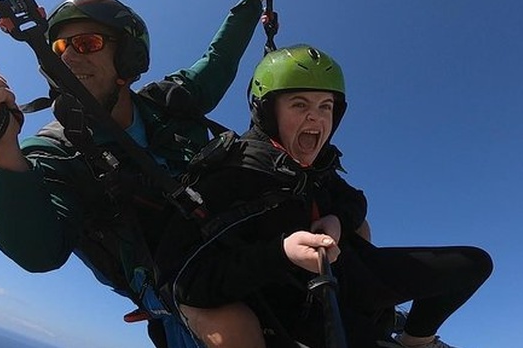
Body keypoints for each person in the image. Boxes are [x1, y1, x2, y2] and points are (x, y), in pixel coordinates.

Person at [0, 0, 273, 348]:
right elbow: (36, 251)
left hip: (239, 238)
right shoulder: (55, 151)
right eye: (60, 47)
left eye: (87, 44)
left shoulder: (171, 103)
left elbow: (221, 55)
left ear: (128, 60)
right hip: (176, 286)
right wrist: (2, 144)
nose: (70, 57)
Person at [155, 44, 493, 348]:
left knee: (473, 265)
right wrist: (281, 253)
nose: (316, 117)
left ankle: (415, 341)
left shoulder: (317, 168)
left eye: (326, 106)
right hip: (297, 303)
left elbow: (355, 199)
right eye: (299, 104)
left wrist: (338, 220)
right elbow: (184, 279)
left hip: (351, 275)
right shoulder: (235, 173)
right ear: (268, 113)